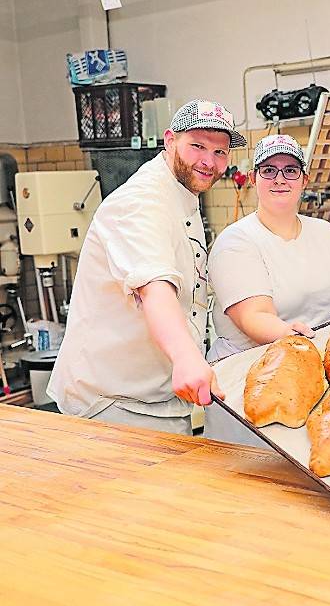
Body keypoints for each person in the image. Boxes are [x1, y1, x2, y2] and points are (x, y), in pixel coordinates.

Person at [47, 100, 247, 435]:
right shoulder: (140, 202)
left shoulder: (182, 194)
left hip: (160, 399)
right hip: (112, 403)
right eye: (197, 146)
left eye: (220, 152)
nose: (208, 161)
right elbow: (155, 288)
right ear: (170, 141)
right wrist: (185, 357)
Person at [204, 134, 330, 444]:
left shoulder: (328, 235)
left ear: (304, 179)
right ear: (255, 179)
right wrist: (299, 339)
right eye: (268, 170)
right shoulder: (236, 242)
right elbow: (254, 318)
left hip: (314, 381)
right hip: (253, 383)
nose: (279, 179)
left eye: (290, 170)